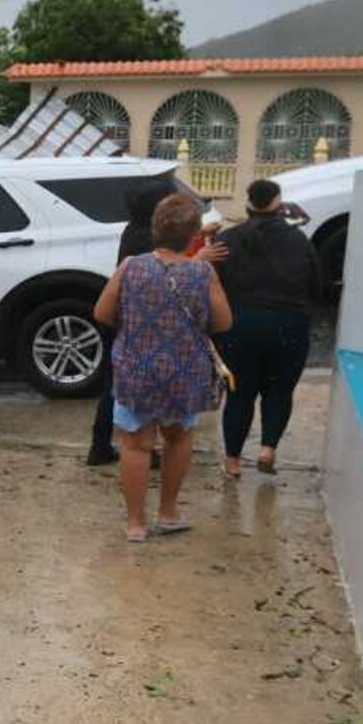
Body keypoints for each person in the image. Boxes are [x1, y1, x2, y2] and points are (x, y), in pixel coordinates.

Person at [93, 192, 233, 541]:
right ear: (192, 235)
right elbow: (224, 323)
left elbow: (102, 313)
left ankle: (135, 525)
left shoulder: (131, 267)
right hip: (184, 370)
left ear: (156, 229)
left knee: (135, 446)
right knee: (177, 438)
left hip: (136, 368)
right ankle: (168, 513)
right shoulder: (202, 273)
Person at [85, 177, 217, 466]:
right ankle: (137, 447)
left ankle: (101, 446)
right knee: (127, 388)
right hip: (141, 322)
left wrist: (197, 234)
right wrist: (200, 258)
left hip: (127, 317)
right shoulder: (145, 240)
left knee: (115, 384)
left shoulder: (136, 228)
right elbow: (168, 270)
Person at [215, 178, 322, 477]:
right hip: (288, 325)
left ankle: (233, 462)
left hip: (239, 325)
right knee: (279, 390)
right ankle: (267, 449)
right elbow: (316, 286)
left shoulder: (227, 239)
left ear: (248, 203)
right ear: (279, 203)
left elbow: (214, 283)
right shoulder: (299, 240)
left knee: (239, 394)